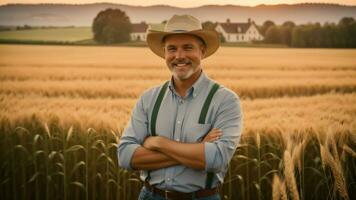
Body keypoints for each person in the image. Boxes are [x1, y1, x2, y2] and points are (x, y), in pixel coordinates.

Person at [118, 14, 243, 200]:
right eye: (172, 49)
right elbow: (126, 157)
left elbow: (217, 159)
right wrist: (198, 149)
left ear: (202, 50)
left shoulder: (225, 100)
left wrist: (158, 143)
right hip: (151, 196)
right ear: (164, 53)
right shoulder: (148, 99)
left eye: (187, 47)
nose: (179, 56)